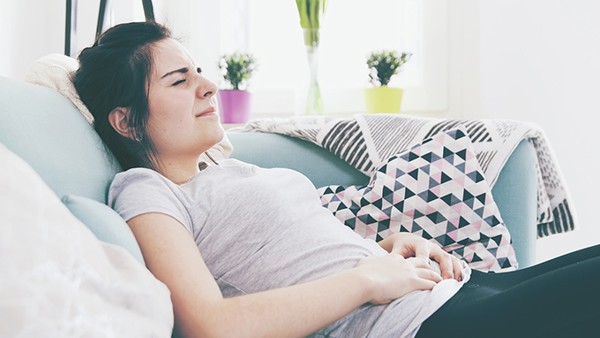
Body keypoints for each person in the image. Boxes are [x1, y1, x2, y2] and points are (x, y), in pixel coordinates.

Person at [73, 21, 600, 338]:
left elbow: (293, 260)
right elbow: (212, 325)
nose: (209, 87)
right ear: (126, 120)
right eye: (180, 80)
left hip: (449, 295)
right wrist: (367, 280)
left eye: (200, 72)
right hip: (418, 328)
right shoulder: (147, 190)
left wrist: (385, 250)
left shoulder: (228, 171)